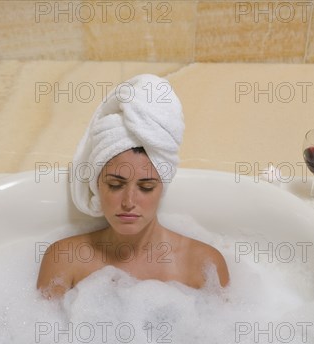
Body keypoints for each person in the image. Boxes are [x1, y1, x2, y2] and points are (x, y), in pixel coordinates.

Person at [36, 74, 230, 299]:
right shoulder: (64, 259)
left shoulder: (203, 265)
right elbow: (41, 331)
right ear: (97, 184)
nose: (129, 202)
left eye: (146, 187)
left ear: (162, 188)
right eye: (115, 185)